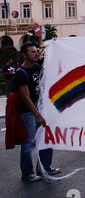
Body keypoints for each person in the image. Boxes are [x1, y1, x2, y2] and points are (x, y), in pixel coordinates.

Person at [14, 43, 61, 182]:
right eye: (32, 52)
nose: (36, 53)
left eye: (36, 51)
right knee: (28, 143)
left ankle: (44, 168)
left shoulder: (36, 67)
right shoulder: (21, 73)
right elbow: (26, 97)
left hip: (41, 109)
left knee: (46, 138)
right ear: (24, 54)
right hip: (28, 112)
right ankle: (27, 174)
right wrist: (37, 115)